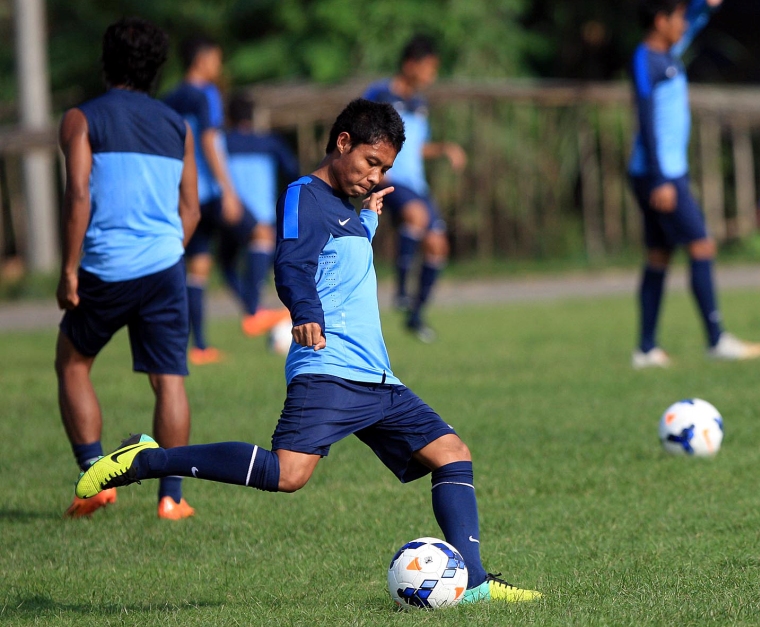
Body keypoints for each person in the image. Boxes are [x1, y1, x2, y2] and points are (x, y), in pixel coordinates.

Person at [75, 99, 541, 604]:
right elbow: (293, 262)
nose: (376, 176)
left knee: (452, 454)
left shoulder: (348, 209)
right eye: (371, 162)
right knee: (287, 474)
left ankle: (475, 585)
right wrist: (304, 311)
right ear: (343, 142)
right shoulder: (304, 195)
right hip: (330, 369)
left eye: (385, 169)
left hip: (376, 376)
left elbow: (340, 260)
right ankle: (148, 459)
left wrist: (368, 221)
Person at [56, 17, 200, 520]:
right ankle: (172, 498)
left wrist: (69, 269)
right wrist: (165, 255)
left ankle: (94, 478)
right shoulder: (177, 126)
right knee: (170, 380)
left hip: (105, 267)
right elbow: (191, 210)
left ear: (106, 61)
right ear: (157, 68)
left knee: (73, 363)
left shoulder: (81, 119)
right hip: (165, 268)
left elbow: (78, 195)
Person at [628, 0, 760, 368]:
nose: (683, 24)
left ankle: (646, 349)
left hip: (663, 172)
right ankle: (716, 340)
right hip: (659, 174)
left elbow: (695, 20)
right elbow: (646, 121)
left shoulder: (669, 53)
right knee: (702, 245)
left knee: (659, 256)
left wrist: (703, 6)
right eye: (677, 18)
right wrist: (660, 178)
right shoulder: (645, 60)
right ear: (660, 20)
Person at [164, 36, 275, 365]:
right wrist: (227, 190)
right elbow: (210, 139)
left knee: (197, 268)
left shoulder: (170, 98)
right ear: (202, 59)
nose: (219, 65)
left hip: (185, 195)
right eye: (216, 59)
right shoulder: (207, 94)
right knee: (261, 234)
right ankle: (253, 310)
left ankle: (198, 348)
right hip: (210, 191)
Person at [363, 36, 466, 343]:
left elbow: (416, 147)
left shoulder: (420, 104)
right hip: (390, 178)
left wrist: (445, 148)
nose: (432, 75)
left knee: (437, 245)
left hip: (416, 183)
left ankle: (415, 315)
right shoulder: (380, 94)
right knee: (416, 216)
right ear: (410, 65)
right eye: (429, 68)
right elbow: (361, 133)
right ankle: (401, 290)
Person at [224, 93, 298, 331]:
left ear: (229, 117)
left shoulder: (222, 142)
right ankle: (254, 309)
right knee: (263, 247)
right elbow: (292, 170)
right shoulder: (270, 142)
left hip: (231, 213)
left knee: (226, 263)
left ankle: (252, 308)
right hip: (263, 215)